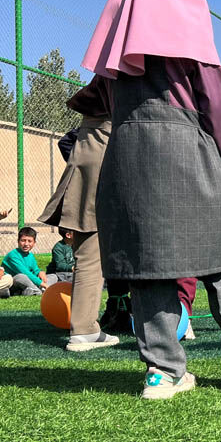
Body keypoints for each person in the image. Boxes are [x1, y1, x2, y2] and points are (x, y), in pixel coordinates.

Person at [83, 0, 221, 398]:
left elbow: (95, 100)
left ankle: (163, 372)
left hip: (131, 160)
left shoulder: (118, 45)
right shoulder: (194, 41)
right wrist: (219, 149)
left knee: (150, 264)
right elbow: (216, 104)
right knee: (220, 261)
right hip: (189, 151)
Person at [38, 75, 122, 349]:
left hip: (92, 147)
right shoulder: (127, 74)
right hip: (104, 147)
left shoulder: (107, 73)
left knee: (89, 250)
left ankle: (85, 325)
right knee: (92, 249)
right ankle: (86, 328)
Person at [2, 227, 47, 296]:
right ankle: (38, 291)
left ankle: (29, 291)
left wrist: (40, 272)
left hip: (28, 281)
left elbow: (35, 270)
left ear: (34, 243)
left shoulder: (30, 255)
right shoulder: (13, 255)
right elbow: (25, 273)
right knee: (21, 276)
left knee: (52, 276)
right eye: (23, 240)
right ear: (18, 241)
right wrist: (43, 284)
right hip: (14, 282)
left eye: (29, 241)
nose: (26, 244)